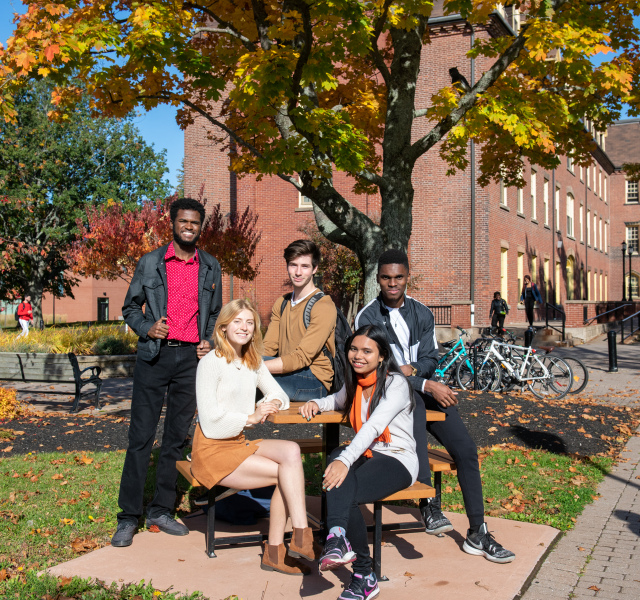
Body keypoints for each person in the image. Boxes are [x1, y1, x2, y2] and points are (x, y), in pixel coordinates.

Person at [355, 249, 515, 563]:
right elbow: (376, 372)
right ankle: (428, 503)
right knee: (411, 398)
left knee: (466, 450)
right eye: (386, 277)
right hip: (385, 398)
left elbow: (431, 358)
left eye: (398, 277)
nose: (392, 283)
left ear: (406, 277)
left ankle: (477, 532)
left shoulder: (422, 313)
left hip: (421, 390)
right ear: (378, 279)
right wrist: (423, 382)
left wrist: (414, 372)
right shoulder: (367, 317)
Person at [110, 197, 222, 548]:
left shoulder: (210, 266)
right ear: (172, 223)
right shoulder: (151, 263)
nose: (189, 227)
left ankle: (160, 509)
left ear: (201, 226)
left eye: (195, 223)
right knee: (141, 438)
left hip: (191, 361)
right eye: (183, 222)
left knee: (175, 439)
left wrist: (209, 341)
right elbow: (130, 307)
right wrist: (147, 327)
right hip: (154, 358)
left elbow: (217, 313)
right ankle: (128, 516)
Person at [193, 299, 319, 576]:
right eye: (237, 321)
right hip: (212, 450)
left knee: (291, 451)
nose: (244, 327)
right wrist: (250, 416)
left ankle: (297, 535)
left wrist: (269, 403)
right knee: (285, 474)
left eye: (250, 322)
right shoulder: (211, 363)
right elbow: (211, 424)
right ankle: (281, 547)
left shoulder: (252, 362)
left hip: (236, 443)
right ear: (224, 327)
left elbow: (281, 397)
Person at [299, 324, 417, 600]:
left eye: (367, 351)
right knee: (336, 463)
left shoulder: (395, 383)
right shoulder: (356, 380)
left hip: (397, 458)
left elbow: (374, 427)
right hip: (368, 454)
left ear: (381, 356)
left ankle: (358, 566)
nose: (358, 356)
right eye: (354, 349)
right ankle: (343, 546)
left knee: (340, 472)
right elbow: (336, 400)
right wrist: (317, 402)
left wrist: (345, 460)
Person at [263, 239, 336, 400]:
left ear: (314, 269)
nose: (298, 272)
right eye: (293, 265)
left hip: (314, 382)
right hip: (288, 372)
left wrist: (255, 368)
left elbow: (302, 357)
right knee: (236, 372)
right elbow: (267, 349)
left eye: (305, 266)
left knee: (244, 378)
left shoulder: (323, 305)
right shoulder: (282, 303)